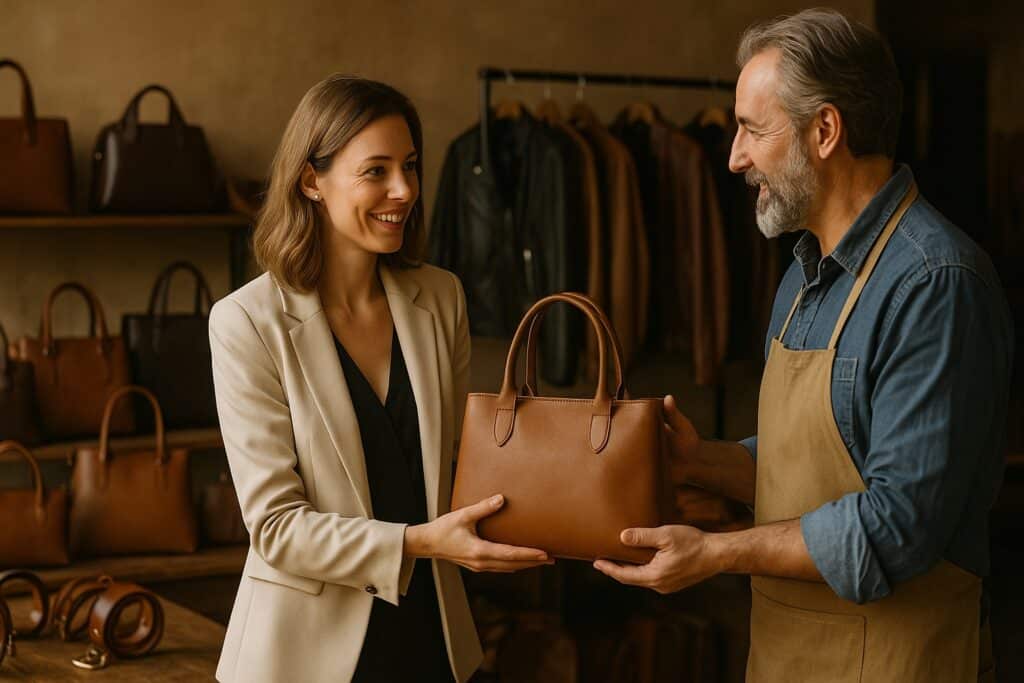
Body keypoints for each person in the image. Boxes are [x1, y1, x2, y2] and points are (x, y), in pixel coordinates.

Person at [594, 9, 1012, 682]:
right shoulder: (800, 273)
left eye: (752, 129)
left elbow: (895, 525)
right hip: (787, 656)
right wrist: (703, 461)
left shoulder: (937, 285)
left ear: (825, 130)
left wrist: (718, 551)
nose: (733, 156)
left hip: (898, 663)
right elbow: (815, 467)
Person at [209, 75, 550, 683]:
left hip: (433, 640)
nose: (405, 190)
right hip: (303, 657)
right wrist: (420, 543)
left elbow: (457, 463)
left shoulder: (440, 298)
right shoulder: (245, 323)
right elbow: (277, 528)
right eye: (376, 170)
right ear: (312, 180)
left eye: (411, 166)